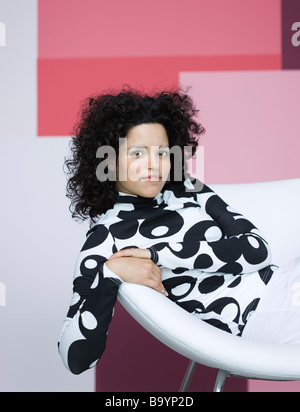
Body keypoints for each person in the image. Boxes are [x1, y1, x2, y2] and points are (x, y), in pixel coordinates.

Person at [58, 87, 291, 375]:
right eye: (138, 153)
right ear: (108, 159)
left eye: (162, 152)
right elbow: (76, 359)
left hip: (285, 285)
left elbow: (257, 250)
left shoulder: (188, 187)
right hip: (262, 319)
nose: (154, 164)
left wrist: (155, 255)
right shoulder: (107, 238)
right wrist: (109, 276)